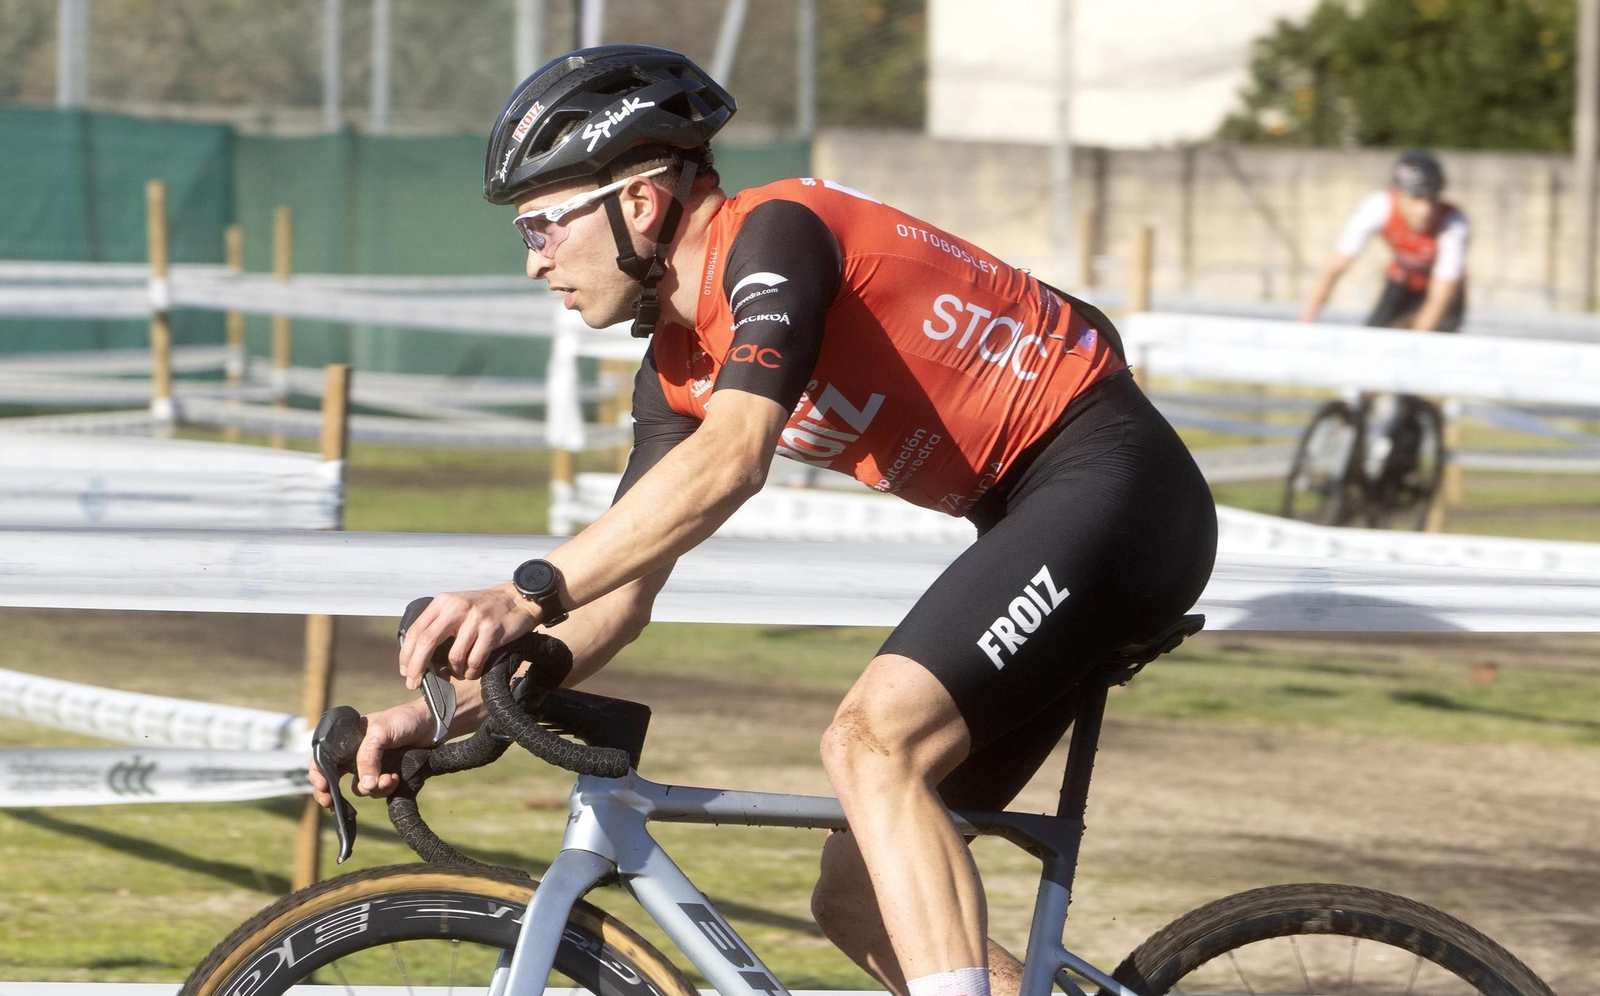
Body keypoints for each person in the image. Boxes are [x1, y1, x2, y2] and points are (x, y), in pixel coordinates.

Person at [308, 46, 1216, 996]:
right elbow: (616, 597)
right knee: (855, 897)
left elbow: (738, 455)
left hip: (1115, 485)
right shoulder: (676, 367)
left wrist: (519, 592)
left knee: (873, 742)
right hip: (1034, 523)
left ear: (642, 202)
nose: (533, 261)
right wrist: (428, 714)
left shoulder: (776, 236)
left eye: (541, 225)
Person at [1300, 149, 1470, 333]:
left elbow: (1439, 296)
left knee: (1435, 344)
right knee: (1374, 338)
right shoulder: (1379, 207)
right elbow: (1333, 269)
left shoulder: (1453, 223)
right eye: (1416, 198)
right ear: (1397, 194)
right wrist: (1306, 324)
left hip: (1443, 290)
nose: (1425, 211)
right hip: (1403, 279)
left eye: (1432, 200)